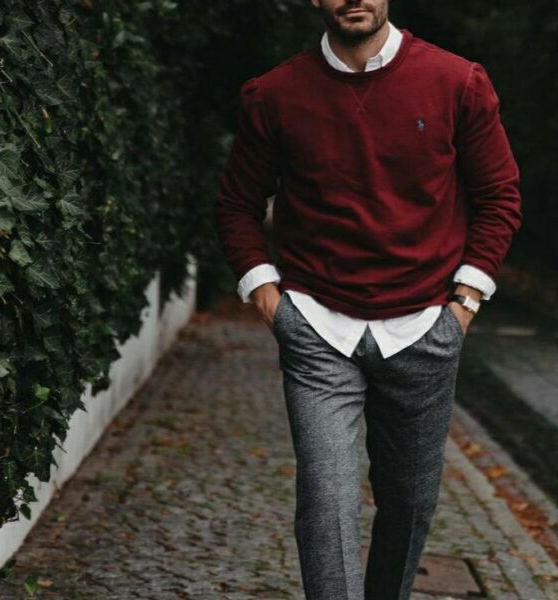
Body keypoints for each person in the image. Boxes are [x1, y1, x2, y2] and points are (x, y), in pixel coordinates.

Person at [214, 1, 522, 598]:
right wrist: (271, 300)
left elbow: (499, 195)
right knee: (325, 502)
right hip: (317, 329)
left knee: (409, 504)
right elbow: (236, 205)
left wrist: (463, 304)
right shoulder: (275, 93)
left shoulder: (457, 81)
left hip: (425, 328)